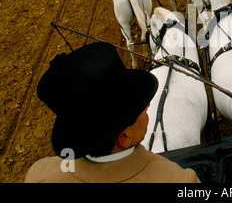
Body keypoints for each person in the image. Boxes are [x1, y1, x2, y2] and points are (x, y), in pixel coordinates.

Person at [25, 42, 200, 183]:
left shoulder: (39, 175)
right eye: (140, 109)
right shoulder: (180, 179)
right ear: (124, 138)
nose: (147, 107)